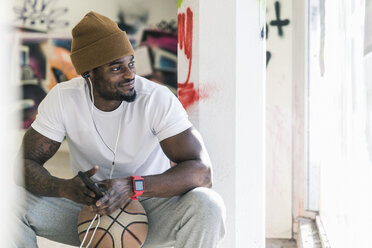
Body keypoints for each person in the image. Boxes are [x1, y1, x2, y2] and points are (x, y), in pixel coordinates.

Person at [15, 11, 226, 248]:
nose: (130, 75)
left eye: (131, 63)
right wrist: (63, 188)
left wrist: (132, 186)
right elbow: (23, 164)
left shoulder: (156, 99)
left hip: (149, 207)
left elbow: (202, 172)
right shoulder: (64, 99)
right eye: (116, 68)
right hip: (88, 213)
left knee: (207, 205)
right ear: (89, 73)